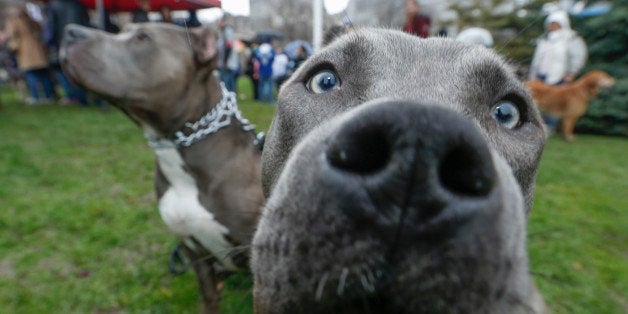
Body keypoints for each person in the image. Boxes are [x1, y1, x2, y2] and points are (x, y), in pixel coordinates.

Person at [5, 7, 55, 105]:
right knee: (43, 74)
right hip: (37, 49)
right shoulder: (31, 20)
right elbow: (41, 28)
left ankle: (35, 96)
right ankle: (49, 96)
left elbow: (11, 34)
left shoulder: (14, 21)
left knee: (31, 74)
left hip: (25, 50)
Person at [46, 0, 90, 106]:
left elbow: (51, 26)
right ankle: (82, 97)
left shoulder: (54, 6)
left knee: (64, 71)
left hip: (63, 42)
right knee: (80, 71)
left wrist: (50, 41)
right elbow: (86, 23)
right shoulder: (79, 5)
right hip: (80, 43)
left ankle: (71, 96)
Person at [529, 10, 587, 86]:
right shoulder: (544, 39)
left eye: (556, 23)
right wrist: (533, 75)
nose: (553, 26)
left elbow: (577, 58)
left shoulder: (571, 39)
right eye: (551, 24)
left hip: (560, 79)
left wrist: (571, 73)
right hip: (540, 78)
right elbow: (537, 59)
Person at [216, 15, 240, 93]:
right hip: (228, 62)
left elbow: (228, 45)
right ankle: (232, 99)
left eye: (218, 21)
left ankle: (229, 99)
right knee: (230, 82)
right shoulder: (226, 31)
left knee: (226, 83)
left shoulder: (227, 30)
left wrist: (225, 61)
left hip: (227, 63)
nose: (217, 24)